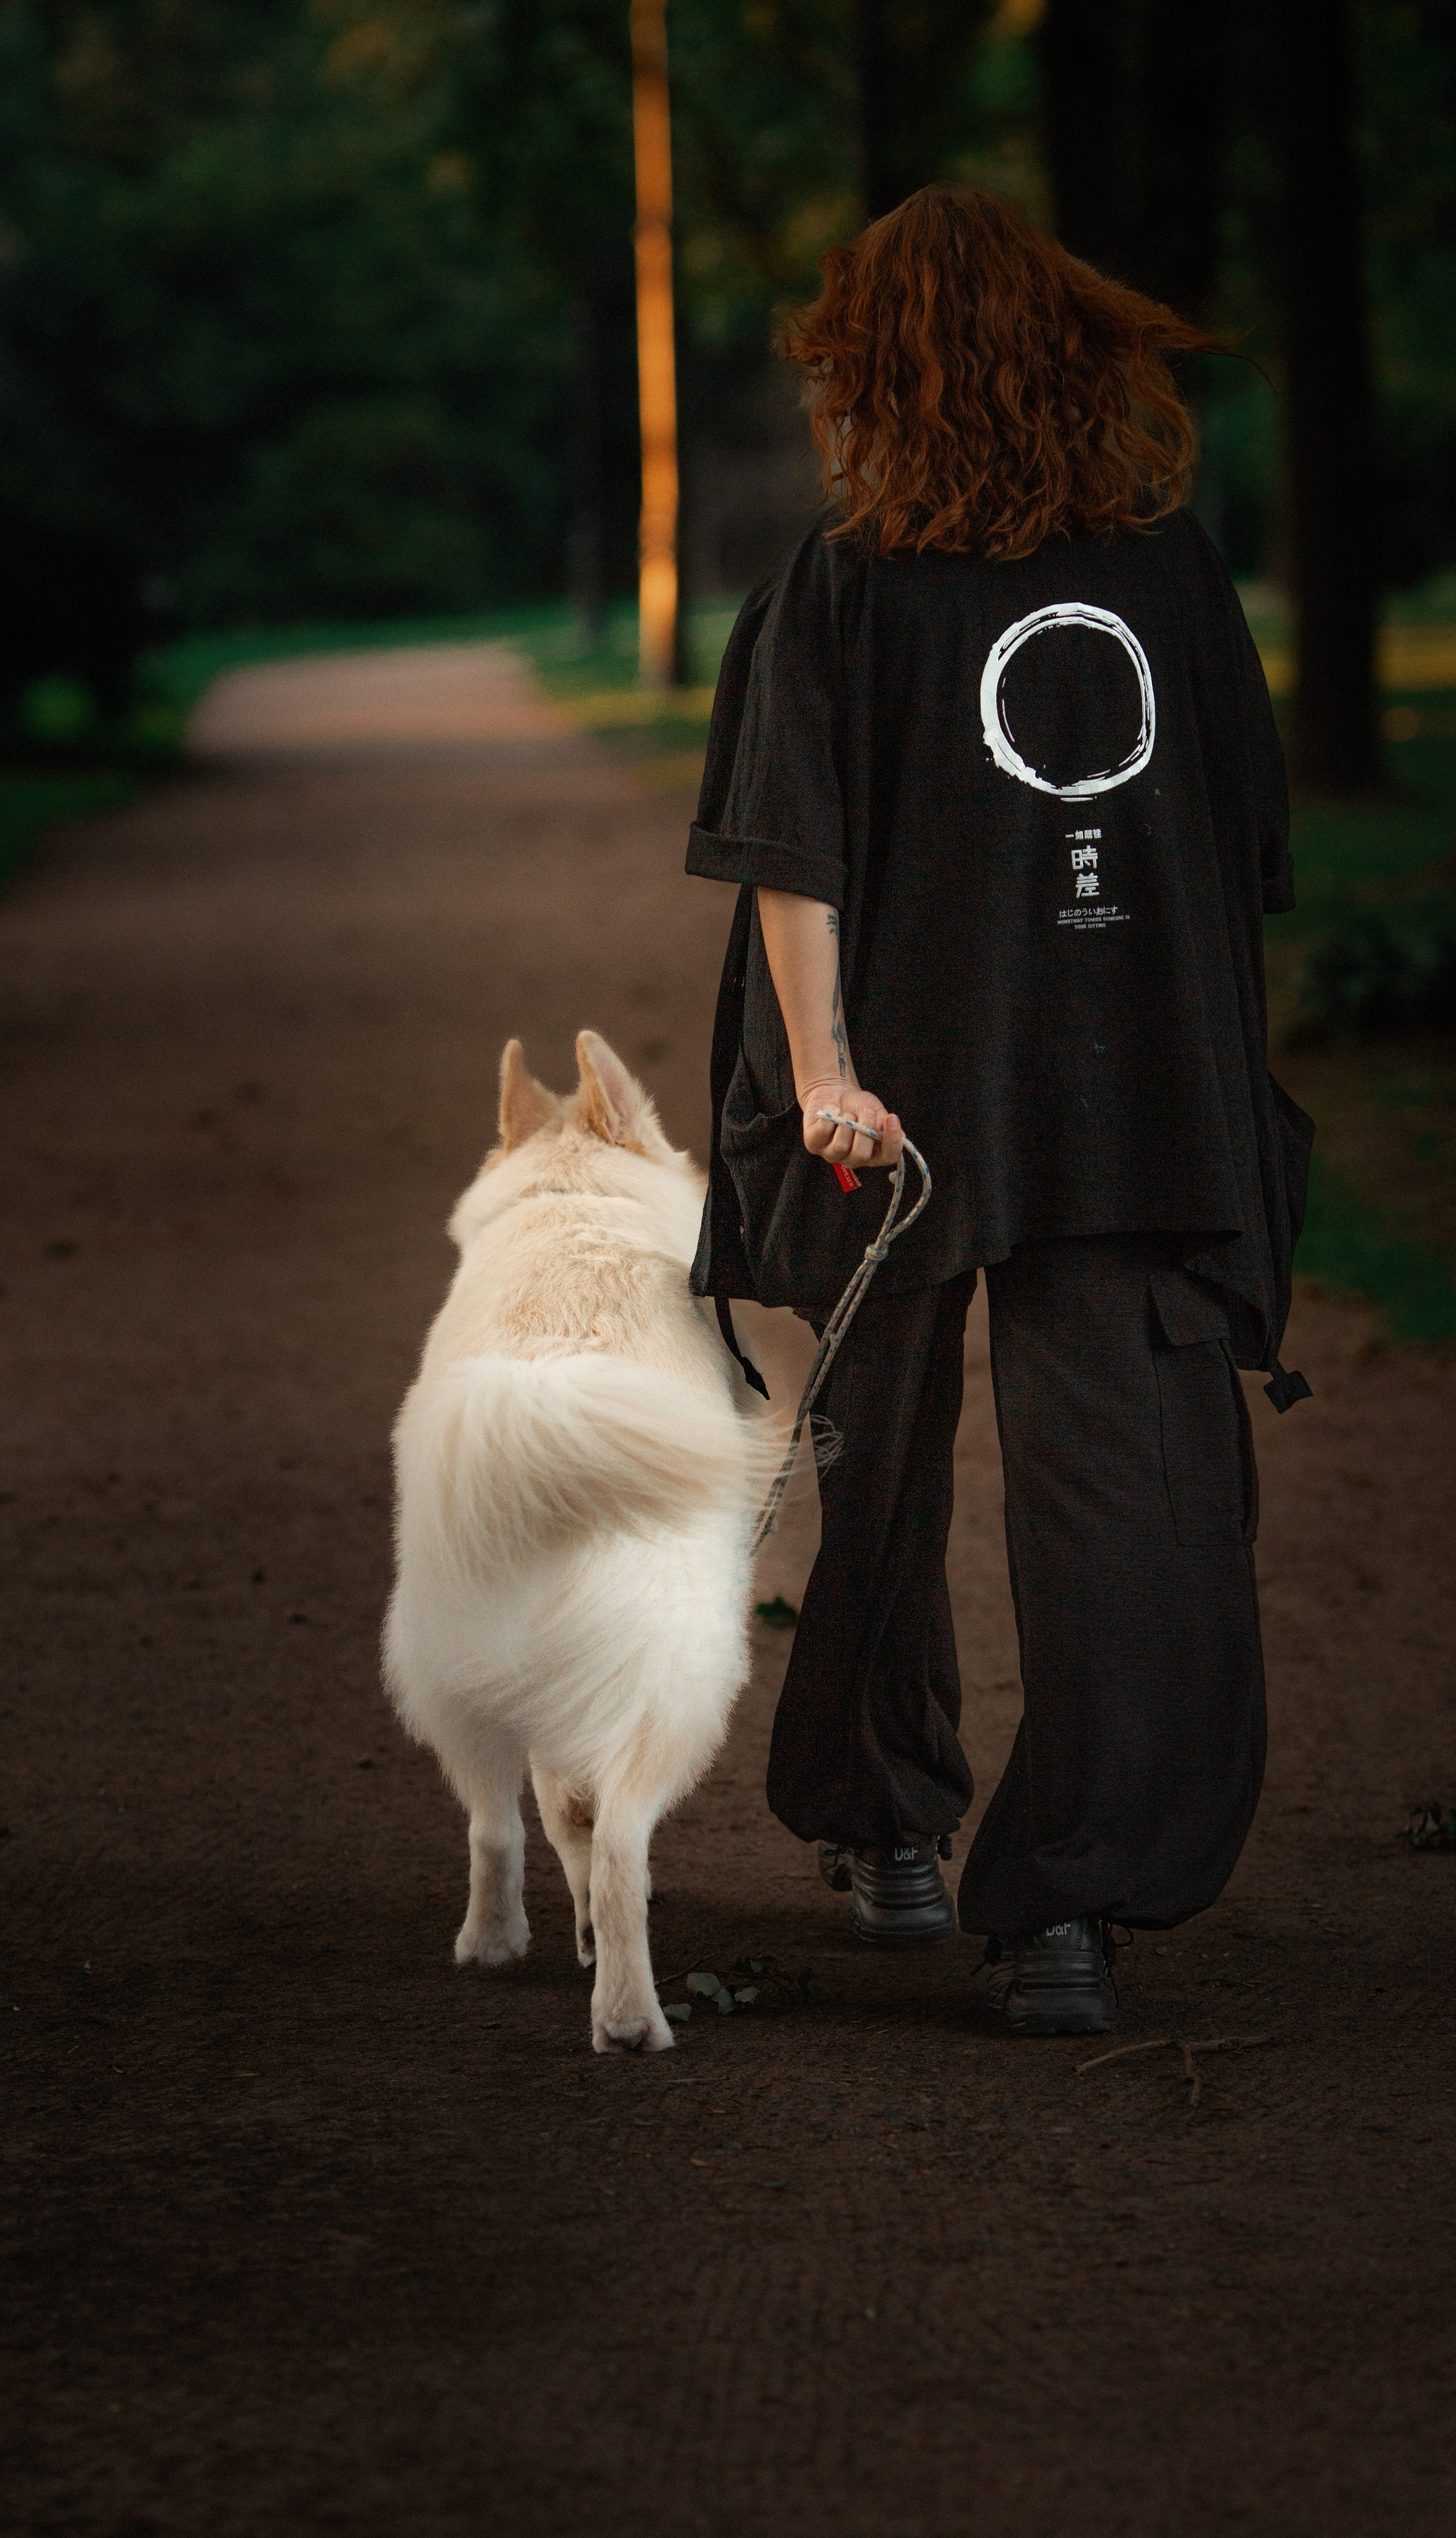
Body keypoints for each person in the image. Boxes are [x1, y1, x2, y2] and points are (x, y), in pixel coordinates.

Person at [688, 184, 1312, 2038]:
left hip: (900, 1106)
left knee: (881, 1457)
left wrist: (818, 1079)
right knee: (1124, 1490)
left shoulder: (843, 576)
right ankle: (1068, 1914)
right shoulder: (1172, 567)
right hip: (1132, 1103)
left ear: (872, 368)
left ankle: (891, 1828)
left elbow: (793, 859)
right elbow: (1235, 846)